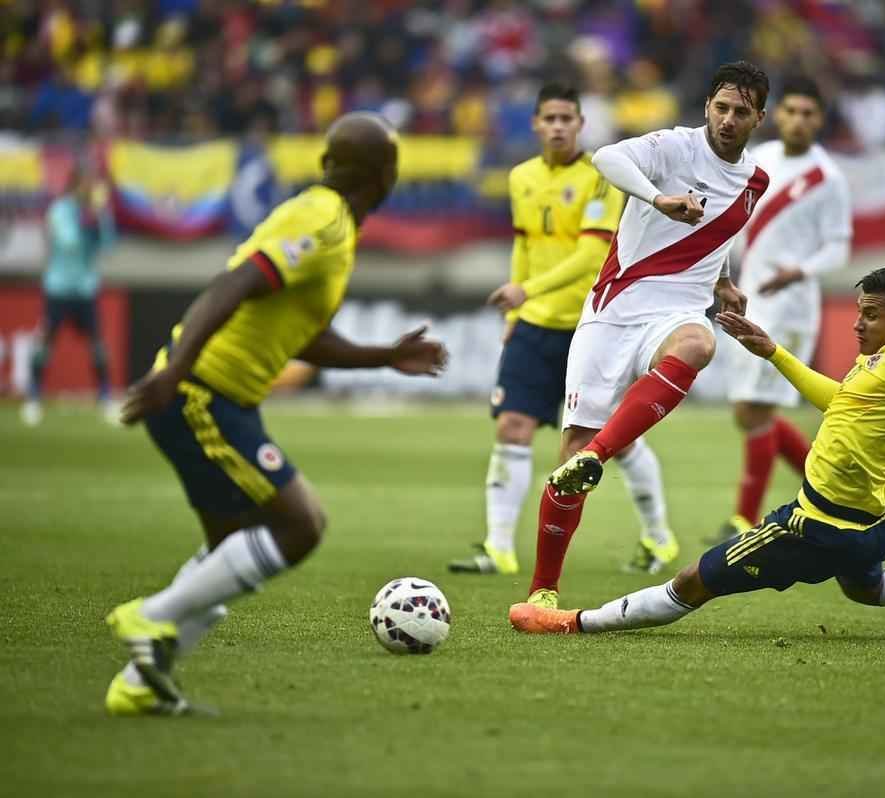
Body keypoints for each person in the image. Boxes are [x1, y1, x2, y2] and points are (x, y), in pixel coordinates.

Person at [509, 267, 885, 643]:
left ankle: (571, 624)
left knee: (691, 582)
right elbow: (841, 401)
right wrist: (773, 353)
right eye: (858, 311)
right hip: (874, 525)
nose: (858, 323)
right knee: (867, 587)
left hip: (814, 526)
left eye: (871, 314)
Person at [105, 112, 449, 716]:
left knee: (228, 553)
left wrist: (383, 356)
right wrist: (176, 371)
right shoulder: (319, 219)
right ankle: (149, 618)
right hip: (202, 395)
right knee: (300, 524)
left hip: (218, 396)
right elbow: (232, 285)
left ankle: (139, 683)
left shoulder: (335, 226)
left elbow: (305, 336)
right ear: (385, 174)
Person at [518, 61, 771, 611]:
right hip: (614, 309)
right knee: (569, 460)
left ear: (758, 118)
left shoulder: (756, 182)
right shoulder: (673, 147)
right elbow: (605, 157)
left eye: (741, 112)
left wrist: (724, 281)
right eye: (721, 107)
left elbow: (719, 231)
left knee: (699, 344)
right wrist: (659, 199)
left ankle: (601, 453)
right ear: (707, 105)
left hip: (676, 311)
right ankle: (543, 588)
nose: (728, 120)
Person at [448, 83, 678, 577]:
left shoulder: (599, 177)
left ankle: (659, 539)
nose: (557, 126)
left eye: (565, 119)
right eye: (548, 118)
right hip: (533, 324)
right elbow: (523, 248)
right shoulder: (520, 177)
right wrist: (517, 311)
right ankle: (499, 548)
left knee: (614, 441)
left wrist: (526, 290)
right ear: (535, 124)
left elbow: (593, 253)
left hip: (590, 325)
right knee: (512, 427)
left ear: (580, 125)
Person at [716, 77, 852, 542]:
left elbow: (838, 247)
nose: (798, 120)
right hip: (751, 294)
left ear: (820, 120)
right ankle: (830, 489)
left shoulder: (827, 179)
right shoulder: (762, 159)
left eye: (808, 113)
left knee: (755, 411)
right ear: (777, 116)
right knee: (749, 412)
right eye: (791, 111)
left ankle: (742, 517)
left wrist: (800, 270)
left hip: (791, 307)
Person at [20, 162, 117, 427]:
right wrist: (89, 219)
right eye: (87, 183)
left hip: (86, 288)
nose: (91, 188)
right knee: (46, 342)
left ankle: (106, 397)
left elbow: (109, 245)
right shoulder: (60, 210)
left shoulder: (97, 211)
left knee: (98, 344)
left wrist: (98, 220)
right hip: (59, 287)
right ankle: (34, 398)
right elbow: (69, 242)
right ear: (76, 184)